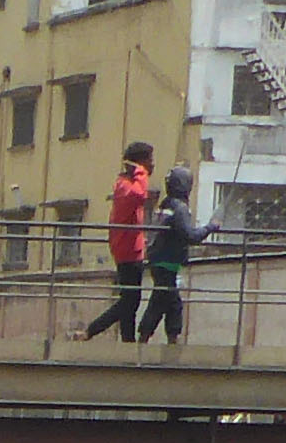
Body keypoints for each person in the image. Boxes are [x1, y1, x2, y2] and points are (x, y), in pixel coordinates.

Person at [84, 143, 153, 340]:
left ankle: (128, 342)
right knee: (130, 301)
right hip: (127, 251)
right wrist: (141, 172)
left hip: (131, 249)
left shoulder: (127, 184)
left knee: (130, 301)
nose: (152, 164)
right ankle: (92, 330)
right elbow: (139, 196)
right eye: (148, 160)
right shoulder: (125, 185)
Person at [137, 188, 200, 344]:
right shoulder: (180, 208)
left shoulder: (164, 206)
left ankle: (165, 337)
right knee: (167, 302)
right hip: (167, 262)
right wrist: (210, 228)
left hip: (158, 261)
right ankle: (152, 338)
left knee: (165, 301)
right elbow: (190, 235)